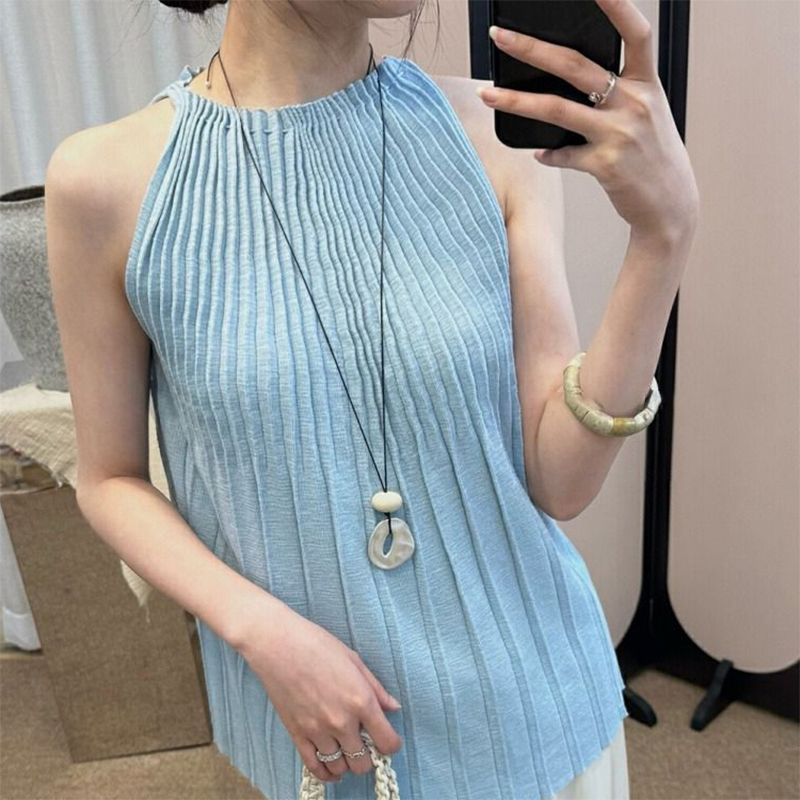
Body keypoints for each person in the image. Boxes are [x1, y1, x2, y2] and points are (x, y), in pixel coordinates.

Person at [45, 0, 698, 798]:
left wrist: (663, 238)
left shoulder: (490, 134)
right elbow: (108, 478)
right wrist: (260, 630)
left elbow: (559, 481)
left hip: (540, 717)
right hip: (319, 742)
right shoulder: (108, 183)